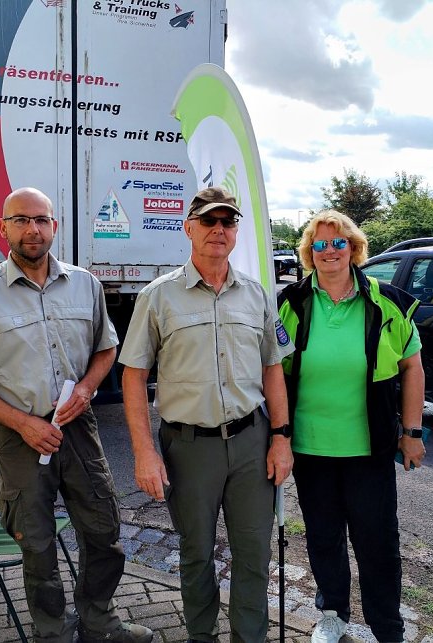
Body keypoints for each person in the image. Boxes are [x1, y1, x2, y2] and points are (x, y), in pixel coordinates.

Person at [0, 187, 152, 643]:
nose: (32, 229)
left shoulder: (85, 284)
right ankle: (53, 632)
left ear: (55, 226)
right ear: (3, 228)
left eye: (41, 219)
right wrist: (23, 423)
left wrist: (86, 388)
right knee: (36, 546)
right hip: (21, 436)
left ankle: (99, 621)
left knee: (103, 530)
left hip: (78, 427)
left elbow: (106, 348)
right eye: (20, 220)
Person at [120, 186, 294, 643]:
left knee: (254, 553)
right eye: (209, 221)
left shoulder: (256, 295)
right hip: (188, 447)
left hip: (252, 443)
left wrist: (281, 438)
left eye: (228, 222)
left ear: (236, 231)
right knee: (196, 553)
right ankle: (202, 636)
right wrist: (144, 453)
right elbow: (133, 375)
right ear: (189, 228)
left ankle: (248, 637)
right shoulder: (158, 297)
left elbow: (273, 368)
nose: (219, 230)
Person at [277, 210, 426, 643]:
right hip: (310, 447)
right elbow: (274, 370)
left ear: (354, 249)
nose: (329, 252)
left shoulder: (386, 302)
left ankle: (387, 627)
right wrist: (279, 437)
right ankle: (333, 616)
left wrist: (412, 432)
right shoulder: (292, 303)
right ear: (308, 254)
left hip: (370, 448)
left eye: (338, 243)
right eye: (319, 245)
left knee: (377, 542)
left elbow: (412, 366)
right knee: (324, 538)